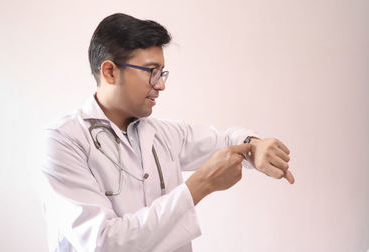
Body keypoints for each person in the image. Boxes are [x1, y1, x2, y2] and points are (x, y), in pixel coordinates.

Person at [39, 13, 295, 252]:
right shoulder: (64, 141)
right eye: (152, 72)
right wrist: (200, 184)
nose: (160, 85)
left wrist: (255, 145)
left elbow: (228, 139)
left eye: (162, 73)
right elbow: (103, 242)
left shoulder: (164, 133)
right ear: (110, 71)